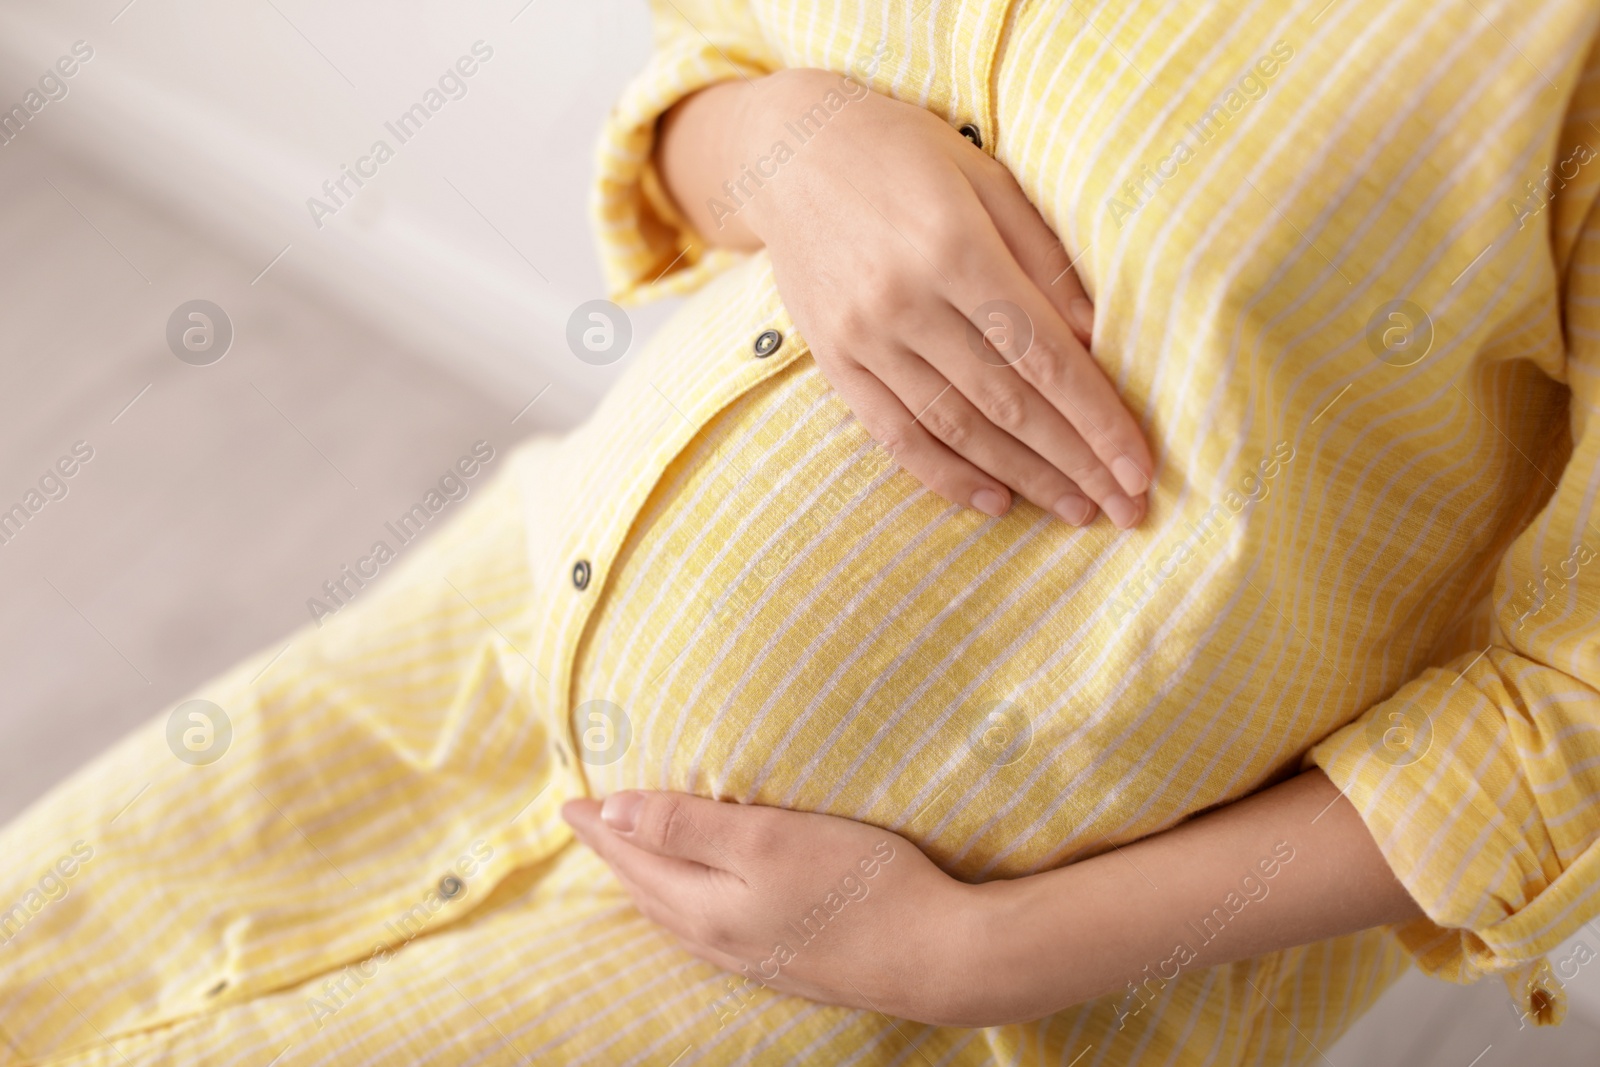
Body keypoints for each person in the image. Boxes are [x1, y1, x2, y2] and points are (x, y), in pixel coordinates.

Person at [3, 1, 1598, 1063]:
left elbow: (1569, 712)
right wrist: (805, 141)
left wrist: (982, 959)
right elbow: (704, 78)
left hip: (916, 972)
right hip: (501, 615)